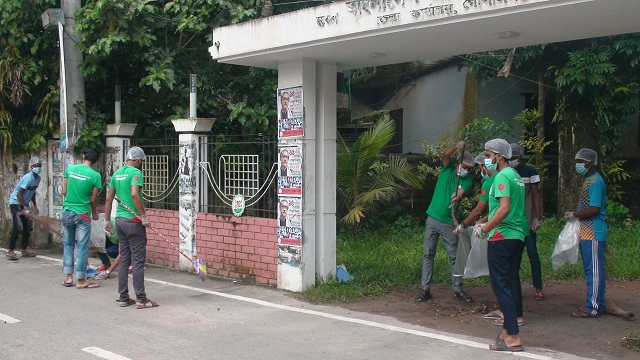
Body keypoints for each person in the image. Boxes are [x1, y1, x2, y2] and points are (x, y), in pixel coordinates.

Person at [473, 139, 525, 352]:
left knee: (500, 286)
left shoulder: (502, 177)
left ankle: (512, 335)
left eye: (488, 155)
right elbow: (506, 208)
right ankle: (507, 330)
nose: (486, 159)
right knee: (510, 284)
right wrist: (486, 219)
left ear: (499, 156)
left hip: (501, 237)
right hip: (516, 236)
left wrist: (484, 230)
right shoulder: (516, 176)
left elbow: (503, 209)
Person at [416, 141, 475, 303]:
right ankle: (425, 289)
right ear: (459, 163)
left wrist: (458, 196)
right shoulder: (447, 169)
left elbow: (463, 191)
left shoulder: (467, 181)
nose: (467, 170)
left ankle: (458, 289)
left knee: (454, 256)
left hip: (449, 222)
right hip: (432, 218)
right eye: (465, 166)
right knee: (428, 254)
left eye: (470, 169)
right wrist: (457, 146)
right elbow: (446, 155)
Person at [104, 146, 159, 309]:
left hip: (119, 221)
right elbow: (135, 194)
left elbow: (108, 199)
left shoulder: (117, 173)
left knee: (124, 259)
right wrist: (143, 216)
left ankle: (123, 297)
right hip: (133, 222)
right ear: (138, 159)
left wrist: (107, 220)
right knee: (137, 261)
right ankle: (141, 299)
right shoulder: (135, 173)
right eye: (141, 161)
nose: (141, 163)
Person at [566, 148, 607, 318]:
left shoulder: (595, 182)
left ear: (589, 163)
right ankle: (596, 302)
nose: (577, 165)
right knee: (591, 269)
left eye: (579, 162)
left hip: (594, 232)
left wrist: (574, 214)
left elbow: (594, 208)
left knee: (594, 270)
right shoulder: (589, 180)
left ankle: (593, 306)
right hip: (587, 232)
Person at [61, 148, 102, 289]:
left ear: (83, 156)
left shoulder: (70, 169)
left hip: (67, 212)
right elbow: (93, 199)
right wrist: (95, 213)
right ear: (95, 161)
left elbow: (64, 191)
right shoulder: (95, 176)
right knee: (82, 247)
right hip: (82, 214)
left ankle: (68, 277)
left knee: (68, 245)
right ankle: (81, 280)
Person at [509, 143, 544, 300]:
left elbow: (536, 195)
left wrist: (538, 216)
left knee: (532, 253)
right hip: (513, 222)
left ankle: (538, 288)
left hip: (528, 221)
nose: (511, 160)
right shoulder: (506, 173)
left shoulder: (530, 172)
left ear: (520, 157)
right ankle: (513, 288)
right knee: (514, 256)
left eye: (513, 157)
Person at [7, 156, 43, 260]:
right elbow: (19, 194)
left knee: (28, 228)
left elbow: (32, 192)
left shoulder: (38, 179)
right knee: (18, 227)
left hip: (24, 203)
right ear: (32, 167)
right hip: (16, 203)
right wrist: (25, 207)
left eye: (39, 166)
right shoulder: (28, 177)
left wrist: (35, 205)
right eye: (36, 166)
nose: (38, 168)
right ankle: (11, 250)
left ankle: (24, 250)